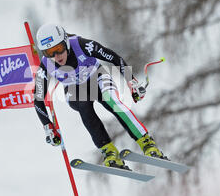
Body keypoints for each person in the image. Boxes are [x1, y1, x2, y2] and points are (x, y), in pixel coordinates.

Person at [33, 23, 167, 170]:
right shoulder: (45, 66)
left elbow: (115, 58)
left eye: (58, 49)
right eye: (48, 52)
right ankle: (109, 151)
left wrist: (131, 81)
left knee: (111, 100)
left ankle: (147, 143)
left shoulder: (82, 45)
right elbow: (38, 99)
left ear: (66, 42)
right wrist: (48, 127)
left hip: (98, 78)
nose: (56, 56)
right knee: (83, 105)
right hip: (75, 89)